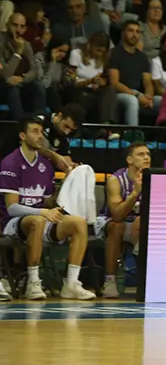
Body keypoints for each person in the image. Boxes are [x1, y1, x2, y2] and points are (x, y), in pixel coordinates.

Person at [0, 118, 95, 301]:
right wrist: (42, 212)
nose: (40, 136)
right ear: (22, 136)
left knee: (78, 223)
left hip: (41, 217)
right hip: (13, 223)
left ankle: (71, 284)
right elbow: (11, 208)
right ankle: (33, 282)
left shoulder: (45, 165)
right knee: (38, 220)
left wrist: (67, 182)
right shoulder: (10, 162)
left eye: (42, 132)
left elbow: (48, 203)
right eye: (35, 131)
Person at [98, 142, 151, 299]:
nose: (146, 157)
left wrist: (142, 217)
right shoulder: (116, 180)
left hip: (138, 225)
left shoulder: (154, 176)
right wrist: (135, 193)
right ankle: (110, 281)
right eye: (141, 155)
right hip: (110, 222)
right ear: (129, 160)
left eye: (148, 154)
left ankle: (149, 280)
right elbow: (116, 215)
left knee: (153, 228)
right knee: (117, 227)